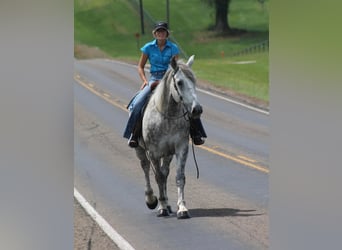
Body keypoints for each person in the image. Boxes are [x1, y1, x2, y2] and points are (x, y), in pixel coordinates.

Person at [123, 21, 207, 148]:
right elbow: (140, 67)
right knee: (138, 104)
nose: (161, 34)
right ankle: (133, 134)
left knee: (189, 102)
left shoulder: (173, 48)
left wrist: (167, 80)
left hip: (169, 79)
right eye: (158, 31)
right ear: (155, 34)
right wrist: (145, 81)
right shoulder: (148, 48)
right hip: (153, 79)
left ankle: (196, 133)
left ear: (167, 34)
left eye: (163, 31)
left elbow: (176, 68)